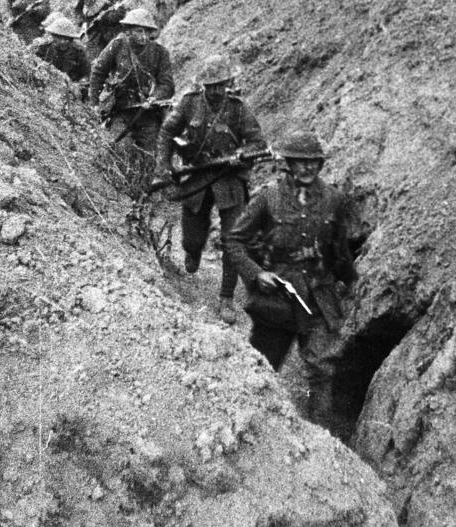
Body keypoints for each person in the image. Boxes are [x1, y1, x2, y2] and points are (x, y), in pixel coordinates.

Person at [225, 130, 358, 428]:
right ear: (288, 163)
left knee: (321, 369)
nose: (307, 168)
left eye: (314, 162)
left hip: (319, 297)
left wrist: (352, 283)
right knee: (261, 367)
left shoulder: (334, 200)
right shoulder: (268, 199)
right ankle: (250, 428)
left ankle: (320, 439)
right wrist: (256, 273)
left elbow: (340, 251)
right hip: (279, 298)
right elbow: (234, 242)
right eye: (300, 162)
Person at [153, 56, 267, 323]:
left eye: (220, 85)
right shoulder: (190, 102)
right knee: (191, 238)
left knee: (233, 241)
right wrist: (164, 164)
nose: (215, 90)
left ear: (228, 83)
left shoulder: (238, 108)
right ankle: (193, 252)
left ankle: (226, 297)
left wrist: (241, 153)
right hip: (197, 174)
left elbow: (257, 141)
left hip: (229, 179)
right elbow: (167, 132)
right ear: (203, 85)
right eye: (210, 86)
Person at [87, 8, 174, 153]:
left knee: (151, 154)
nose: (144, 36)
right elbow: (98, 72)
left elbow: (167, 85)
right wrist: (95, 103)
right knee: (116, 149)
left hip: (147, 113)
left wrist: (154, 98)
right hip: (119, 111)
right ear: (129, 30)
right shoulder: (117, 45)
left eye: (147, 31)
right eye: (139, 31)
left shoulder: (160, 53)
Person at [30, 17, 91, 88]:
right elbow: (29, 62)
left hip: (70, 88)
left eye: (67, 38)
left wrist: (79, 84)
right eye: (58, 37)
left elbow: (87, 74)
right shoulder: (42, 47)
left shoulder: (79, 51)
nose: (63, 41)